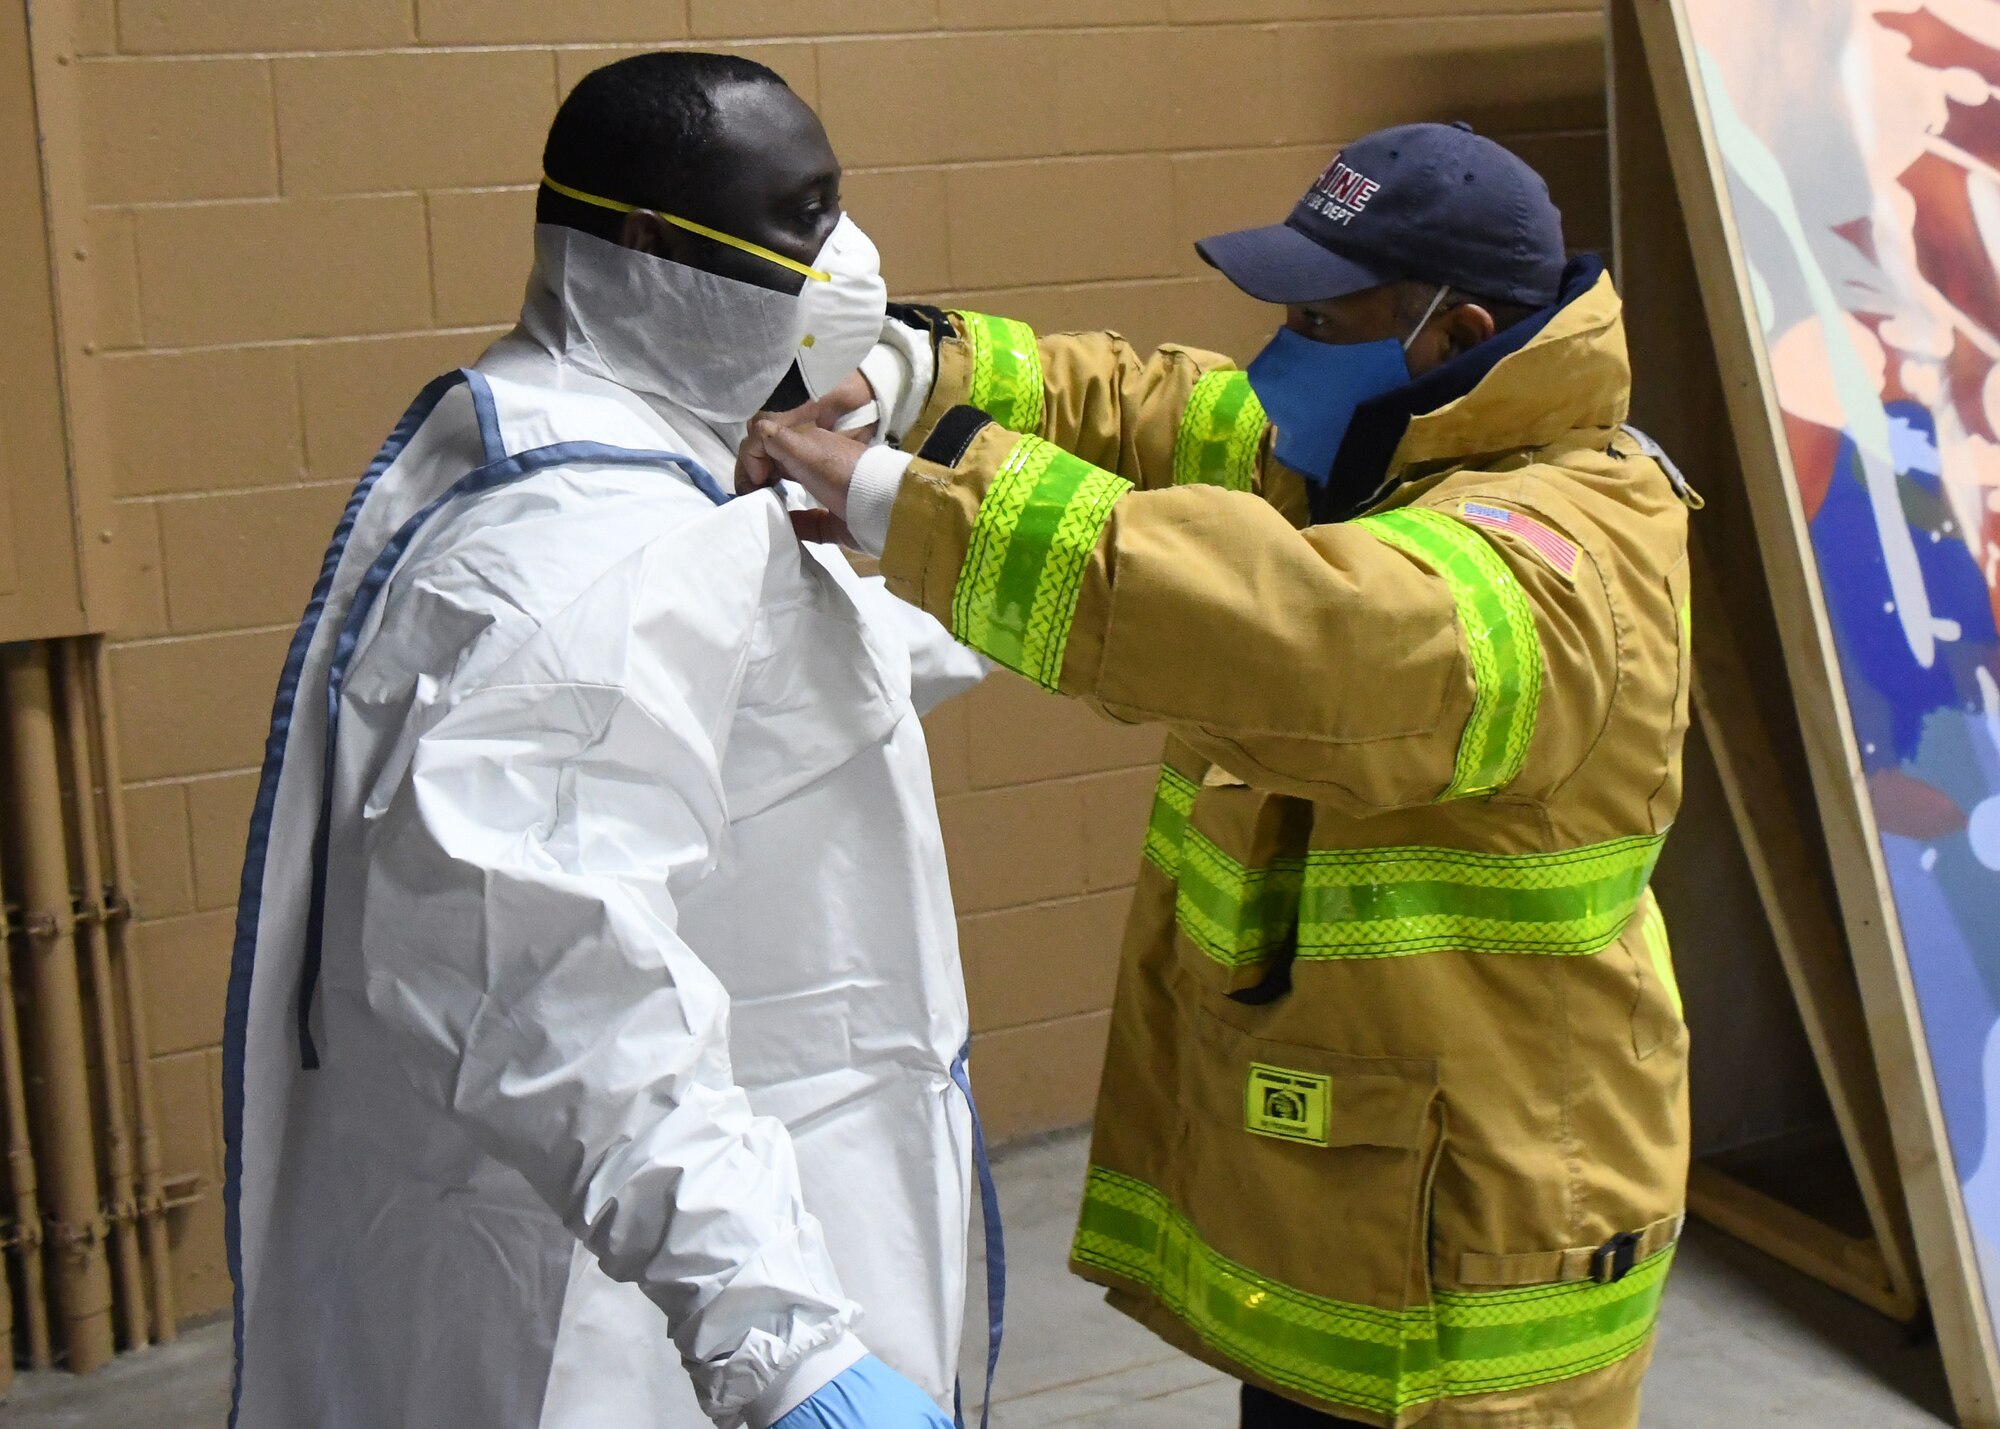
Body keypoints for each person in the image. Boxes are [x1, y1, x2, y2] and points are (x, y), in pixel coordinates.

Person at [742, 122, 1697, 1429]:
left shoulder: (1543, 570)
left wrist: (898, 499)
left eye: (1323, 314)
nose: (1284, 350)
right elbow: (1166, 408)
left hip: (1478, 1286)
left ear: (1455, 328)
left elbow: (1278, 626)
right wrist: (921, 366)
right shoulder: (1391, 453)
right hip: (1378, 1223)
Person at [224, 52, 989, 1429]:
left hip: (636, 1251)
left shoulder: (619, 457)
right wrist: (782, 1344)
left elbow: (781, 699)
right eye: (799, 215)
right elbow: (549, 968)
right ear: (646, 243)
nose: (845, 260)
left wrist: (1050, 588)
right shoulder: (582, 547)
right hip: (611, 1311)